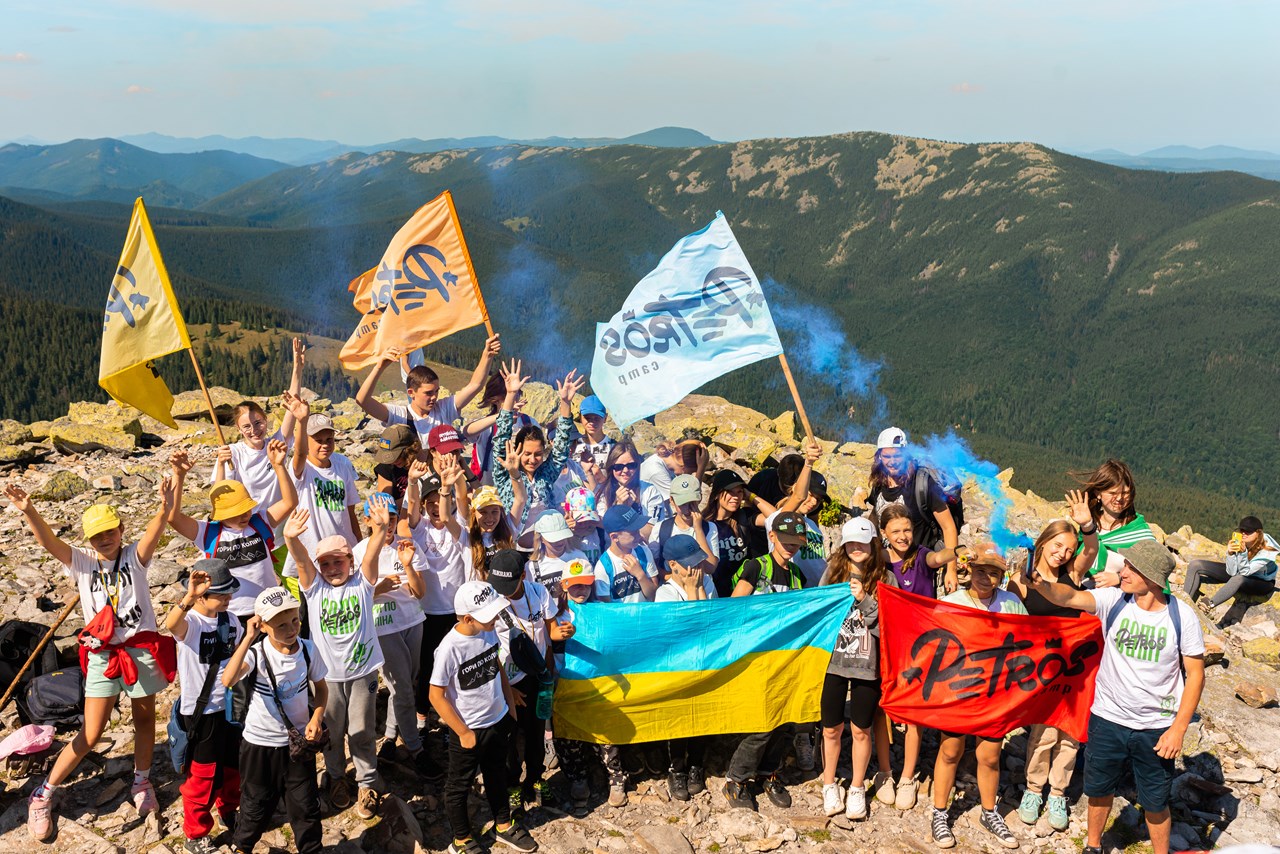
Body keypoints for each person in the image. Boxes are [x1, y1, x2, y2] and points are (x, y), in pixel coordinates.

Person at [6, 483, 175, 841]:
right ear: (89, 538)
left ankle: (141, 783)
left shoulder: (134, 556)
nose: (105, 539)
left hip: (139, 649)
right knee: (92, 731)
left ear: (121, 530)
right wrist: (29, 510)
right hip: (101, 655)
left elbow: (159, 525)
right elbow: (49, 543)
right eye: (97, 535)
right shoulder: (81, 562)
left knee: (144, 720)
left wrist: (166, 500)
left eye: (110, 531)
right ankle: (43, 794)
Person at [1023, 539, 1205, 854]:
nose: (1123, 570)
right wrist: (1042, 586)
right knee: (1099, 790)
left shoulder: (1182, 617)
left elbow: (1196, 675)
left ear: (1151, 578)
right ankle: (1093, 846)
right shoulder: (1114, 599)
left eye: (1131, 567)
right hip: (1107, 718)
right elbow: (1070, 597)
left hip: (1156, 727)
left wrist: (1178, 728)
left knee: (1155, 801)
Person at [283, 504, 387, 819]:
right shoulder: (314, 590)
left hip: (363, 673)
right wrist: (291, 539)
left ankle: (367, 782)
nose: (331, 568)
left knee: (362, 730)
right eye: (324, 563)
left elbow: (372, 555)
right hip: (326, 678)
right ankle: (337, 776)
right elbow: (301, 561)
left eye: (337, 561)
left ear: (350, 561)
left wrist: (379, 530)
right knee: (331, 731)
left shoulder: (362, 584)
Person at [1003, 494, 1099, 832]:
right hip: (1041, 669)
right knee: (1043, 733)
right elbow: (1010, 622)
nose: (1064, 553)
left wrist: (1086, 524)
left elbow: (1092, 550)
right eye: (1058, 545)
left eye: (1069, 549)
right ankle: (1033, 789)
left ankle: (1058, 792)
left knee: (1071, 733)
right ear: (1043, 543)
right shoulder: (1020, 581)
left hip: (1075, 669)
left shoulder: (1073, 572)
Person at [430, 580, 537, 854]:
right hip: (469, 730)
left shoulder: (487, 631)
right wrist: (463, 733)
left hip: (498, 719)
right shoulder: (449, 648)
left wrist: (509, 698)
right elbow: (436, 696)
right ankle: (461, 839)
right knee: (459, 785)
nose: (496, 618)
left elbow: (496, 664)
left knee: (496, 774)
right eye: (491, 614)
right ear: (468, 618)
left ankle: (502, 825)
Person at [930, 543, 1025, 850]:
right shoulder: (952, 602)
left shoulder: (1011, 603)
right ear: (969, 570)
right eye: (981, 570)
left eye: (994, 572)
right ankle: (939, 811)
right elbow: (933, 642)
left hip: (995, 693)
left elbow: (1029, 638)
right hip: (959, 688)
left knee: (990, 755)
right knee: (950, 751)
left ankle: (989, 811)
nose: (986, 577)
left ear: (1002, 576)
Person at [221, 586, 328, 854]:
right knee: (255, 805)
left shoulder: (308, 649)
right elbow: (228, 679)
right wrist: (248, 638)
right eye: (281, 625)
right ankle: (242, 846)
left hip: (298, 745)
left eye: (295, 620)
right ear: (264, 626)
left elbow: (322, 689)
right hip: (259, 745)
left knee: (306, 807)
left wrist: (316, 716)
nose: (291, 629)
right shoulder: (256, 654)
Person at [878, 502, 968, 810]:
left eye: (907, 529)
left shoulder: (920, 556)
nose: (903, 536)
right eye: (896, 531)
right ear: (883, 533)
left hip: (918, 646)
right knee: (883, 708)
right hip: (885, 642)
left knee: (913, 713)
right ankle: (885, 771)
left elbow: (938, 556)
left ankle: (906, 776)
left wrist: (958, 552)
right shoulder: (876, 561)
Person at [722, 512, 811, 811]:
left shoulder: (799, 575)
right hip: (757, 659)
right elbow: (735, 608)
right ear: (771, 536)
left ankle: (767, 773)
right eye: (785, 541)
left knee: (787, 721)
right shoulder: (756, 566)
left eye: (796, 543)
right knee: (761, 724)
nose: (790, 547)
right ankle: (736, 780)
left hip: (787, 660)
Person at [166, 443, 298, 623]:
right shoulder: (207, 533)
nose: (245, 515)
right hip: (230, 616)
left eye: (247, 509)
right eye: (237, 512)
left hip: (268, 611)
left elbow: (290, 502)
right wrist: (179, 476)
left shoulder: (260, 522)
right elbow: (173, 518)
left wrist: (279, 466)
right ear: (222, 514)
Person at [818, 516, 896, 822]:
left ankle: (855, 786)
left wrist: (864, 600)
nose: (856, 547)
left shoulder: (886, 580)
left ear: (873, 543)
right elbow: (819, 612)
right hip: (833, 663)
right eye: (850, 542)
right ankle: (828, 784)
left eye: (862, 542)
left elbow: (888, 627)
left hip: (868, 666)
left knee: (862, 729)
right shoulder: (832, 571)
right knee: (830, 728)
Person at [351, 491, 433, 780]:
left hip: (413, 621)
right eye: (379, 521)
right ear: (367, 519)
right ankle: (414, 747)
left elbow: (420, 592)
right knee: (403, 688)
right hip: (383, 628)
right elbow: (355, 597)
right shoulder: (360, 551)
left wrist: (408, 564)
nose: (387, 527)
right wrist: (380, 589)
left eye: (392, 520)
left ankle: (388, 736)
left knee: (406, 684)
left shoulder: (407, 545)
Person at [165, 559, 243, 854]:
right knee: (203, 775)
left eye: (228, 593)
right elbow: (171, 624)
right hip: (201, 713)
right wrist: (187, 596)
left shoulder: (231, 620)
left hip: (230, 707)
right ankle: (195, 833)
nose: (228, 599)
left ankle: (228, 809)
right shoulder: (191, 624)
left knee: (232, 765)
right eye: (221, 594)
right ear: (201, 595)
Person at [488, 550, 561, 815]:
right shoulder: (491, 601)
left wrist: (548, 674)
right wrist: (508, 689)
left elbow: (548, 632)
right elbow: (485, 648)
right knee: (509, 741)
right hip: (507, 682)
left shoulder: (539, 593)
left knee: (536, 733)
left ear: (523, 576)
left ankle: (536, 779)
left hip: (537, 676)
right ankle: (513, 787)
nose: (503, 592)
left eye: (509, 585)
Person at [403, 462, 471, 735]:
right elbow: (411, 508)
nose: (433, 507)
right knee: (426, 668)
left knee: (456, 667)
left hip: (455, 612)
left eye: (438, 500)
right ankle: (421, 719)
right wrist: (411, 481)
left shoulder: (458, 526)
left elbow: (463, 499)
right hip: (427, 612)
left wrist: (452, 485)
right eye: (428, 501)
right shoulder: (421, 530)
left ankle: (454, 718)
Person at [492, 360, 583, 548]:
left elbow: (562, 444)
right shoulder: (505, 474)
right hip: (514, 547)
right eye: (527, 454)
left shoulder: (546, 474)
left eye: (538, 454)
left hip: (546, 547)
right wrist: (510, 395)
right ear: (516, 450)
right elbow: (501, 435)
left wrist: (565, 402)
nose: (532, 460)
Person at [354, 336, 502, 449]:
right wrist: (379, 367)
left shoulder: (443, 409)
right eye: (428, 393)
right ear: (411, 392)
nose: (434, 397)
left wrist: (486, 356)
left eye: (436, 391)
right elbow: (362, 400)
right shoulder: (399, 415)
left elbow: (475, 385)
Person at [654, 535, 715, 801]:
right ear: (673, 565)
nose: (695, 570)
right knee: (680, 721)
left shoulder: (707, 582)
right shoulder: (664, 593)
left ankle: (696, 765)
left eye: (698, 562)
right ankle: (676, 768)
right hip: (679, 665)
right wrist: (693, 590)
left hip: (704, 660)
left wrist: (699, 588)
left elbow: (710, 620)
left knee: (702, 719)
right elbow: (688, 626)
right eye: (689, 564)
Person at [866, 427, 960, 595]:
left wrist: (951, 570)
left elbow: (948, 527)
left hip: (918, 570)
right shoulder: (878, 485)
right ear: (879, 456)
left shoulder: (921, 484)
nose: (892, 462)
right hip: (886, 569)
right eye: (886, 456)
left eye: (897, 456)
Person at [213, 341, 306, 506]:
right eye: (247, 426)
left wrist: (297, 369)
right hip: (249, 526)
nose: (254, 430)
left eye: (258, 423)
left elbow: (293, 406)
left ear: (266, 420)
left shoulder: (275, 445)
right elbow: (219, 495)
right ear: (239, 429)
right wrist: (221, 464)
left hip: (276, 525)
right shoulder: (233, 453)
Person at [284, 413, 361, 582]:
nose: (325, 445)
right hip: (311, 554)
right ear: (306, 441)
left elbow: (351, 512)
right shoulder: (301, 469)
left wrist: (359, 546)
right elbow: (298, 454)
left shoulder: (343, 465)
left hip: (342, 552)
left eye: (329, 439)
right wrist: (301, 420)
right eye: (318, 440)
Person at [1072, 459, 1154, 588]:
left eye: (1125, 493)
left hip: (1119, 600)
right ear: (1098, 493)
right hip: (1079, 594)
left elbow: (1154, 570)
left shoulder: (1138, 531)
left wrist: (1120, 578)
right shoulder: (1087, 522)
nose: (1120, 498)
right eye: (1112, 493)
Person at [1184, 516, 1278, 615]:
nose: (1244, 533)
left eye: (1248, 531)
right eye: (1242, 530)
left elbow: (1244, 573)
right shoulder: (1241, 542)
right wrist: (1231, 554)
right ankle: (1182, 603)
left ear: (1258, 533)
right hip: (1240, 572)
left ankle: (1209, 604)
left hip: (1262, 582)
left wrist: (1242, 553)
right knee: (1195, 565)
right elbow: (1232, 572)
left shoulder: (1267, 551)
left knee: (1238, 578)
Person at [704, 469, 776, 596]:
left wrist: (751, 496)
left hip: (744, 590)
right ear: (716, 494)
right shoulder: (705, 524)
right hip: (715, 593)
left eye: (739, 492)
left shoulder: (744, 517)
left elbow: (775, 518)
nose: (735, 497)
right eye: (730, 492)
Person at [462, 372, 535, 485]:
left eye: (517, 395)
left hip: (520, 488)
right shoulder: (486, 425)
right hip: (488, 491)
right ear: (494, 400)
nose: (514, 402)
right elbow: (466, 431)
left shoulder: (528, 423)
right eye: (508, 398)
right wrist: (503, 415)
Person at [649, 473, 718, 578]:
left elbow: (711, 567)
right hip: (673, 591)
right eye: (682, 504)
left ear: (700, 498)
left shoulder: (709, 528)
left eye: (692, 503)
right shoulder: (660, 529)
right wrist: (675, 579)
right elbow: (653, 566)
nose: (688, 509)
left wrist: (698, 529)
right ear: (672, 500)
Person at [599, 441, 668, 537]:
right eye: (619, 467)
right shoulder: (602, 493)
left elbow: (652, 531)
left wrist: (631, 510)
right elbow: (607, 529)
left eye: (631, 465)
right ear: (611, 468)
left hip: (644, 549)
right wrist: (619, 508)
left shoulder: (650, 491)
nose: (625, 470)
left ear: (638, 465)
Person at [594, 505, 659, 603]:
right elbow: (607, 609)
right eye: (633, 532)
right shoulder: (603, 567)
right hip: (620, 618)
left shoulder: (644, 552)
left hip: (645, 615)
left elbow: (653, 596)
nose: (639, 534)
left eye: (638, 529)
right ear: (615, 537)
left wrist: (640, 575)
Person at [528, 510, 592, 589]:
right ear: (541, 539)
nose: (559, 541)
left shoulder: (579, 557)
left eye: (562, 536)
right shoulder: (532, 566)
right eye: (553, 539)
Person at [464, 485, 517, 581]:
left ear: (501, 511)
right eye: (483, 512)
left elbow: (520, 499)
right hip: (477, 594)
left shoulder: (508, 530)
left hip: (504, 594)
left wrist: (514, 474)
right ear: (473, 512)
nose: (490, 518)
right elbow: (446, 518)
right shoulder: (466, 536)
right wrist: (446, 488)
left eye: (494, 511)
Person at [372, 424, 418, 507]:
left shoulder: (423, 463)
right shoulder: (386, 467)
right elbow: (385, 504)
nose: (392, 462)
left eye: (397, 456)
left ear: (409, 450)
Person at [568, 394, 616, 469]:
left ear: (605, 418)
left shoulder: (614, 447)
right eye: (587, 418)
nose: (592, 422)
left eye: (597, 418)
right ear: (580, 417)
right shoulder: (572, 446)